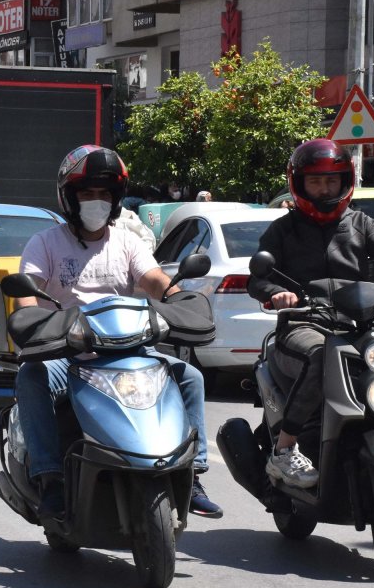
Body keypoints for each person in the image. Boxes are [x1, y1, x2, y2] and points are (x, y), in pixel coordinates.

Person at [13, 145, 222, 520]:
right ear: (69, 197)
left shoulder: (127, 242)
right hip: (67, 351)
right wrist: (30, 319)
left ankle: (193, 474)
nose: (96, 201)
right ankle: (50, 478)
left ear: (115, 200)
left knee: (189, 377)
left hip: (127, 349)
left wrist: (178, 298)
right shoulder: (45, 243)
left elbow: (154, 279)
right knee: (32, 378)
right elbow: (28, 293)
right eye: (87, 193)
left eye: (104, 194)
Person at [247, 139, 374, 489]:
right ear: (299, 184)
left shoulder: (361, 224)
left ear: (346, 181)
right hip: (303, 325)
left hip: (358, 326)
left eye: (331, 181)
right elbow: (258, 279)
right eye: (315, 181)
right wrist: (277, 294)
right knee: (321, 355)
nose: (324, 188)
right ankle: (284, 449)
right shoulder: (284, 229)